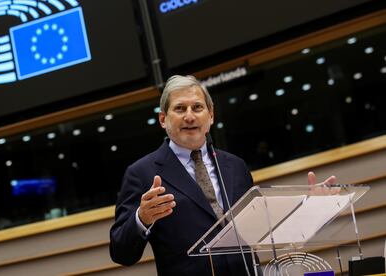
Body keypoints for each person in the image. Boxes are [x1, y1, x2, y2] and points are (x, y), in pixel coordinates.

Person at [109, 75, 336, 276]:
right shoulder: (142, 173)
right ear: (163, 119)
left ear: (211, 116)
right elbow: (121, 252)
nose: (190, 116)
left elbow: (262, 229)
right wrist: (142, 218)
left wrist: (310, 208)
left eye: (197, 108)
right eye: (180, 109)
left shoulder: (235, 166)